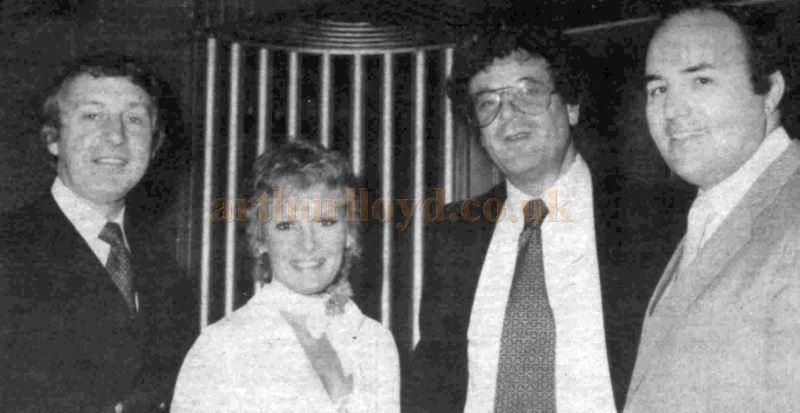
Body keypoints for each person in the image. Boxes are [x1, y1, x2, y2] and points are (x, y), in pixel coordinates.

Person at [406, 20, 688, 413]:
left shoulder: (657, 221)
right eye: (488, 102)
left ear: (571, 105)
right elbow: (434, 379)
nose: (509, 114)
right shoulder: (454, 233)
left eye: (528, 92)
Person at [625, 4, 800, 412]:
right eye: (659, 89)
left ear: (770, 90)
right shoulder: (714, 211)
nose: (672, 111)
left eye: (701, 80)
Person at [0, 55, 198, 412]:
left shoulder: (169, 272)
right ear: (53, 138)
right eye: (92, 115)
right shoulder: (8, 251)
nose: (115, 136)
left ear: (154, 146)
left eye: (134, 119)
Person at [170, 140, 400, 413]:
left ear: (348, 232)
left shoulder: (374, 341)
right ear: (260, 240)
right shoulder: (222, 346)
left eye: (325, 222)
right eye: (287, 225)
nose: (308, 245)